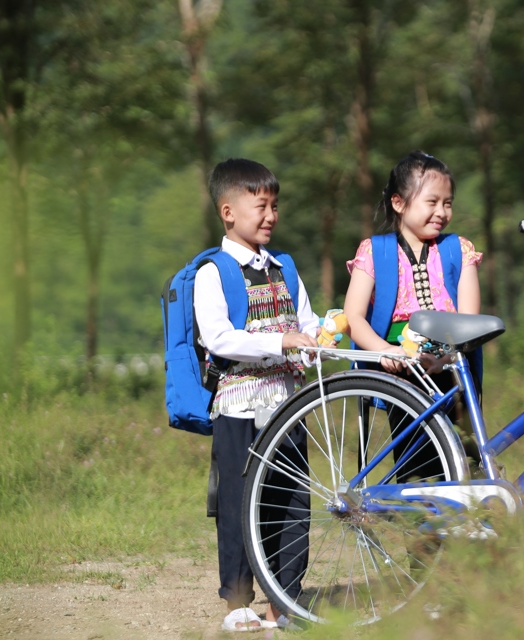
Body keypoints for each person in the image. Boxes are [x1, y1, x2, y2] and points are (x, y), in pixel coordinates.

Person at [194, 158, 320, 631]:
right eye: (260, 207)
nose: (270, 216)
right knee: (238, 503)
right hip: (240, 409)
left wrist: (316, 338)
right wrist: (281, 342)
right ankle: (238, 603)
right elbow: (219, 338)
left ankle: (283, 602)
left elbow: (305, 323)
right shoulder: (214, 272)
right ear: (228, 212)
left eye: (274, 206)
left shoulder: (285, 267)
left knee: (292, 504)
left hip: (288, 408)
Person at [343, 150, 484, 477]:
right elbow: (353, 317)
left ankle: (462, 522)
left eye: (448, 203)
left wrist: (443, 356)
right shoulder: (374, 251)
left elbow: (470, 323)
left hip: (451, 366)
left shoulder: (459, 250)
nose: (442, 211)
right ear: (399, 203)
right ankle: (422, 523)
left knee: (465, 459)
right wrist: (384, 351)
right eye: (431, 201)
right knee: (415, 460)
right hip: (400, 369)